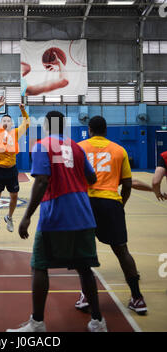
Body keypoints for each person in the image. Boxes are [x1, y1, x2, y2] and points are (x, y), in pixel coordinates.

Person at [7, 111, 107, 332]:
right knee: (85, 268)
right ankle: (98, 322)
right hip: (83, 214)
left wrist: (26, 216)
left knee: (40, 266)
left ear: (45, 126)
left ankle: (38, 323)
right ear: (64, 125)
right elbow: (92, 178)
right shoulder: (77, 147)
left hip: (56, 215)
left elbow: (42, 181)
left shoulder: (42, 145)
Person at [77, 116, 147, 315]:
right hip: (111, 203)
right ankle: (137, 298)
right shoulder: (119, 150)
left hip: (86, 203)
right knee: (122, 251)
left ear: (90, 129)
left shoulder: (79, 147)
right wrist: (120, 204)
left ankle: (85, 296)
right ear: (106, 130)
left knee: (84, 253)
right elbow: (127, 184)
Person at [0, 96, 30, 233]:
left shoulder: (15, 133)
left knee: (14, 196)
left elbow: (27, 123)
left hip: (11, 170)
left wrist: (23, 111)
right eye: (4, 120)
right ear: (1, 123)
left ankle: (9, 217)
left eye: (9, 120)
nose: (6, 122)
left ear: (12, 124)